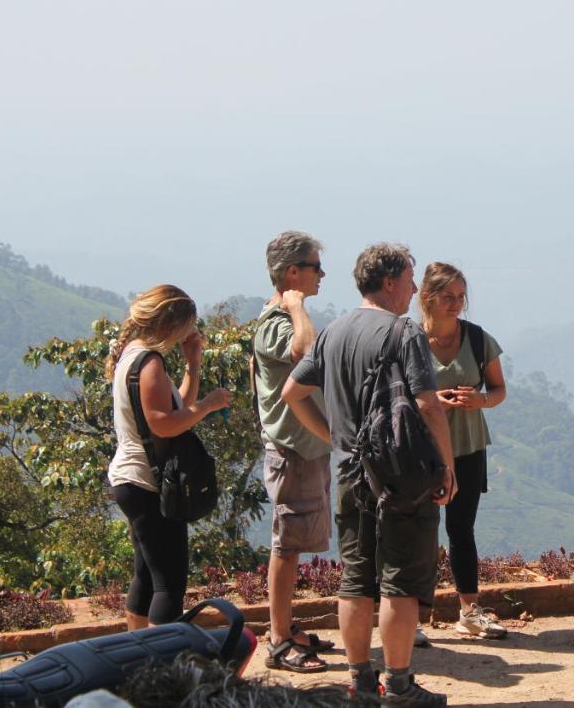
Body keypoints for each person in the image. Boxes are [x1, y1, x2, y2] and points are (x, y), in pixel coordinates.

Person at [282, 243, 456, 707]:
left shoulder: (332, 332)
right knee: (398, 578)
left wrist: (335, 436)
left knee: (355, 579)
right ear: (390, 281)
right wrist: (446, 464)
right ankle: (399, 684)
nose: (415, 289)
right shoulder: (404, 333)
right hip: (400, 477)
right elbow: (426, 404)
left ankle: (360, 683)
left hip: (348, 473)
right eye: (410, 279)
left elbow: (292, 391)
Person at [105, 284, 233, 630]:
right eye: (187, 326)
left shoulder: (133, 354)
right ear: (170, 324)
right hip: (146, 481)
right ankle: (163, 663)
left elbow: (176, 406)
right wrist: (209, 405)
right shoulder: (149, 363)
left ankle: (137, 652)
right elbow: (163, 424)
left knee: (147, 574)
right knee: (169, 583)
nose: (189, 333)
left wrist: (193, 364)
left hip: (131, 480)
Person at [252, 231, 334, 673]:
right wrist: (298, 304)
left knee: (296, 541)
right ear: (292, 273)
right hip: (292, 451)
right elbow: (306, 351)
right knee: (286, 544)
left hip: (305, 448)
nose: (322, 274)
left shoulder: (282, 317)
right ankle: (280, 639)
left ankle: (283, 627)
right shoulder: (275, 323)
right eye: (315, 266)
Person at [414, 263, 508, 644]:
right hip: (422, 452)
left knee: (461, 530)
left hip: (468, 448)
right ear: (427, 299)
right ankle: (413, 617)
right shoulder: (412, 342)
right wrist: (431, 401)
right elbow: (397, 393)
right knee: (418, 532)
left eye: (460, 297)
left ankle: (470, 611)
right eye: (447, 297)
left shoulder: (478, 338)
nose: (456, 304)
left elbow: (499, 390)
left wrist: (480, 400)